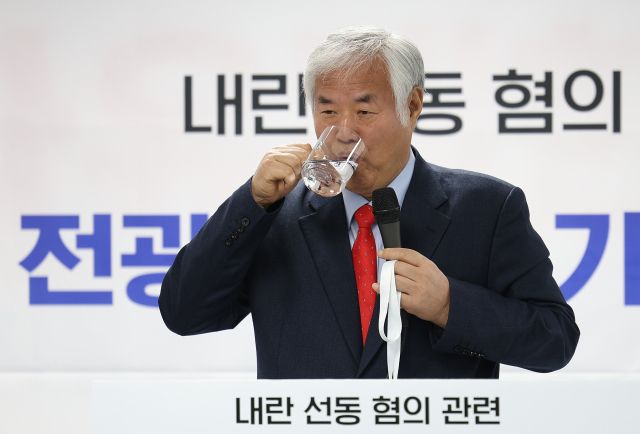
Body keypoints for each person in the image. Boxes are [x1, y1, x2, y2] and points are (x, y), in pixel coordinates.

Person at [159, 27, 579, 378]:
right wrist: (251, 203)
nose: (344, 132)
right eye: (328, 112)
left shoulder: (488, 207)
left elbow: (555, 340)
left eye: (364, 112)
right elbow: (184, 313)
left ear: (412, 105)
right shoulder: (273, 213)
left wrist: (450, 305)